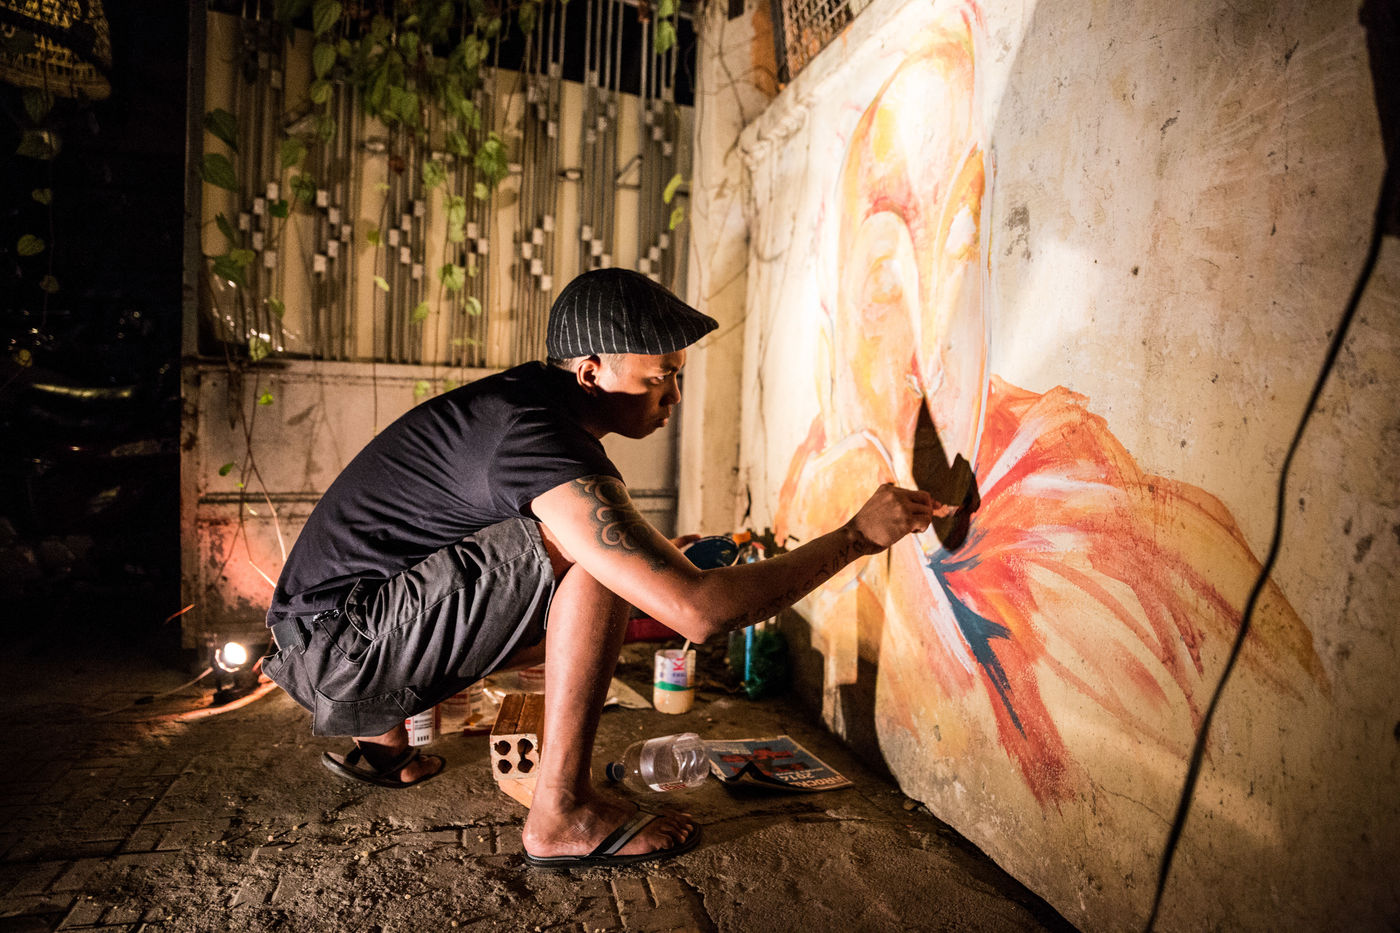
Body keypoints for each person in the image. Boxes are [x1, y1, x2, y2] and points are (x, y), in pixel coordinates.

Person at [262, 268, 938, 868]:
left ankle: (382, 742)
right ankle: (561, 813)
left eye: (677, 375)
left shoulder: (526, 404)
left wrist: (656, 560)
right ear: (590, 372)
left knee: (606, 557)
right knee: (597, 563)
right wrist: (855, 536)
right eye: (660, 376)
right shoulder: (538, 436)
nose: (673, 395)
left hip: (324, 637)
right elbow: (699, 613)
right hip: (340, 649)